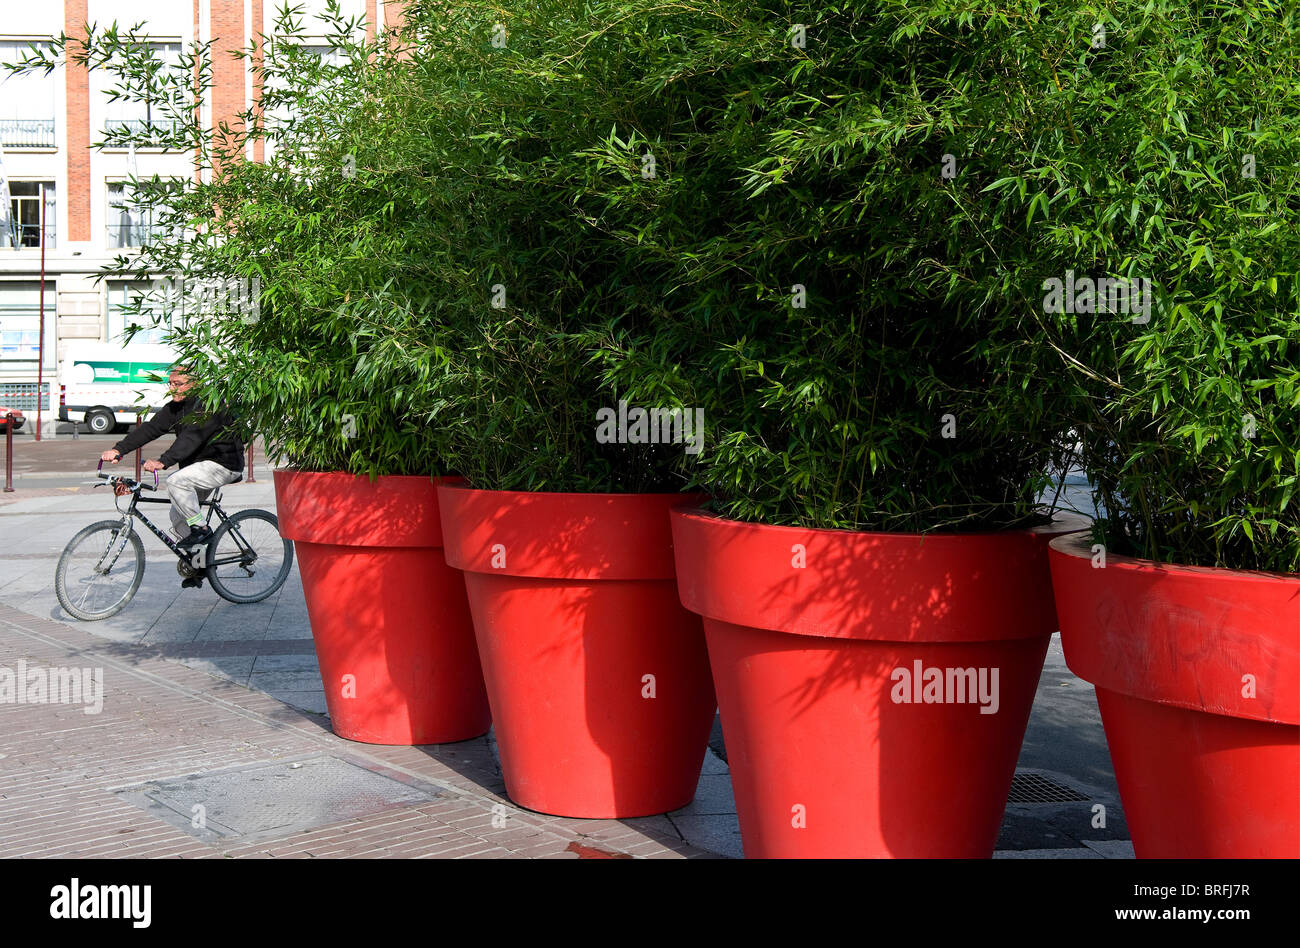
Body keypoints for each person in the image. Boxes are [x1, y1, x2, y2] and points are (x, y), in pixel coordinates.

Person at [99, 366, 244, 570]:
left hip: (223, 464)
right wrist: (118, 449)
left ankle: (201, 528)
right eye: (170, 384)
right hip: (197, 470)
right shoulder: (175, 408)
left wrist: (163, 461)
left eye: (178, 384)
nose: (173, 388)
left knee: (176, 481)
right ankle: (200, 565)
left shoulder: (209, 405)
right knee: (177, 516)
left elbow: (191, 437)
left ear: (196, 384)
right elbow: (150, 429)